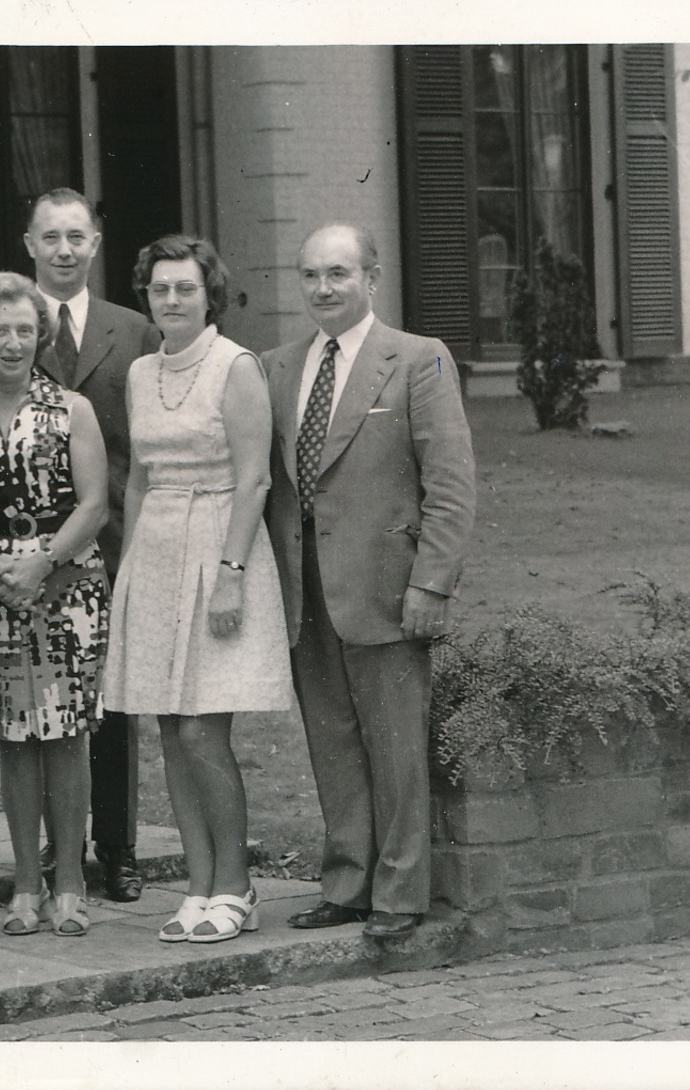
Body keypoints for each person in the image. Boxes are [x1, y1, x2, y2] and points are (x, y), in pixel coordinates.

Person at [261, 223, 476, 939]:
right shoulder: (277, 368)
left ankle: (399, 894)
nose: (322, 288)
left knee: (394, 744)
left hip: (385, 586)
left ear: (371, 279)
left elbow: (448, 484)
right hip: (305, 587)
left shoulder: (416, 360)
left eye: (338, 274)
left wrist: (431, 583)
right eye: (310, 275)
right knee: (331, 739)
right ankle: (347, 881)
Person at [103, 235, 292, 944]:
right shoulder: (139, 371)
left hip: (219, 545)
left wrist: (231, 576)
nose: (172, 300)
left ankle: (235, 885)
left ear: (210, 294)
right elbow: (138, 478)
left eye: (185, 288)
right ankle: (197, 883)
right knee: (167, 732)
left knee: (201, 729)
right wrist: (130, 571)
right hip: (154, 551)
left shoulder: (234, 367)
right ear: (146, 297)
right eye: (159, 289)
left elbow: (255, 479)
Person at [13, 188, 162, 903]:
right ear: (30, 244)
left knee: (112, 700)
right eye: (51, 237)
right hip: (30, 546)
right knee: (42, 699)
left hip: (114, 536)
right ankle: (56, 847)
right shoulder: (6, 326)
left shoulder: (133, 331)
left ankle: (118, 848)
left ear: (95, 245)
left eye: (77, 236)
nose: (65, 249)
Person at [0, 271, 111, 938]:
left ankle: (71, 885)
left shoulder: (72, 408)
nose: (14, 342)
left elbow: (95, 502)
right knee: (16, 741)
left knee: (66, 736)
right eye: (0, 331)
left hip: (66, 585)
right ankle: (24, 885)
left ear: (39, 335)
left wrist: (42, 562)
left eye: (25, 330)